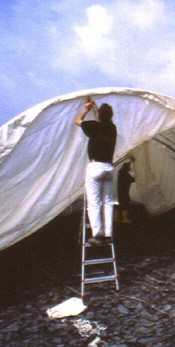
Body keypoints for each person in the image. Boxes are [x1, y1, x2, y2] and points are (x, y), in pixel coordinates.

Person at [75, 97, 117, 246]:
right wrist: (94, 106)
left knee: (94, 203)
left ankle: (97, 235)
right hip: (108, 168)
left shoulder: (93, 126)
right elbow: (103, 119)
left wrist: (86, 109)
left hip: (95, 167)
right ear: (111, 116)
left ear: (99, 115)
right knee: (107, 202)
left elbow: (77, 121)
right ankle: (108, 235)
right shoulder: (112, 129)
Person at [116, 155, 135, 223]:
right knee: (125, 202)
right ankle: (124, 218)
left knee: (120, 203)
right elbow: (132, 179)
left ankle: (116, 218)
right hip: (124, 190)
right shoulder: (125, 173)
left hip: (120, 189)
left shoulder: (121, 171)